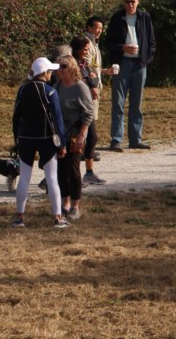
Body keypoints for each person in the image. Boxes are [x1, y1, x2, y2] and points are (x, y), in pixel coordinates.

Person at [12, 57, 70, 228]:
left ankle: (20, 216)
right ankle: (58, 217)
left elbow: (16, 117)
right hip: (46, 138)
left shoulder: (23, 90)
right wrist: (62, 143)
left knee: (24, 177)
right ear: (44, 73)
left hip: (25, 138)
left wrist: (16, 137)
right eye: (50, 71)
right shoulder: (51, 92)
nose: (52, 73)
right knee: (52, 178)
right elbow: (58, 120)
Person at [106, 0, 156, 150]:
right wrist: (123, 48)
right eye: (127, 1)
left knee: (137, 104)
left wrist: (145, 59)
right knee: (118, 103)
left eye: (132, 1)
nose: (130, 5)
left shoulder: (145, 18)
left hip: (140, 65)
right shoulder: (117, 18)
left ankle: (135, 139)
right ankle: (116, 139)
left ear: (138, 2)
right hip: (122, 64)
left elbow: (152, 43)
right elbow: (108, 43)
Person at [53, 55, 95, 221]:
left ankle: (76, 205)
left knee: (73, 170)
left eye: (63, 66)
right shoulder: (56, 86)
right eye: (57, 67)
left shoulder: (80, 87)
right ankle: (65, 203)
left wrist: (82, 134)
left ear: (71, 67)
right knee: (60, 170)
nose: (59, 70)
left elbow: (88, 112)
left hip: (75, 133)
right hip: (59, 135)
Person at [70, 34, 106, 185]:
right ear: (77, 49)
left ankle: (89, 173)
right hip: (75, 108)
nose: (87, 51)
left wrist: (92, 82)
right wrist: (89, 81)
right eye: (85, 49)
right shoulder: (70, 63)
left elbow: (93, 77)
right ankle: (71, 175)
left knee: (92, 138)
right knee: (74, 142)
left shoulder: (85, 63)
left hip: (87, 107)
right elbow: (75, 81)